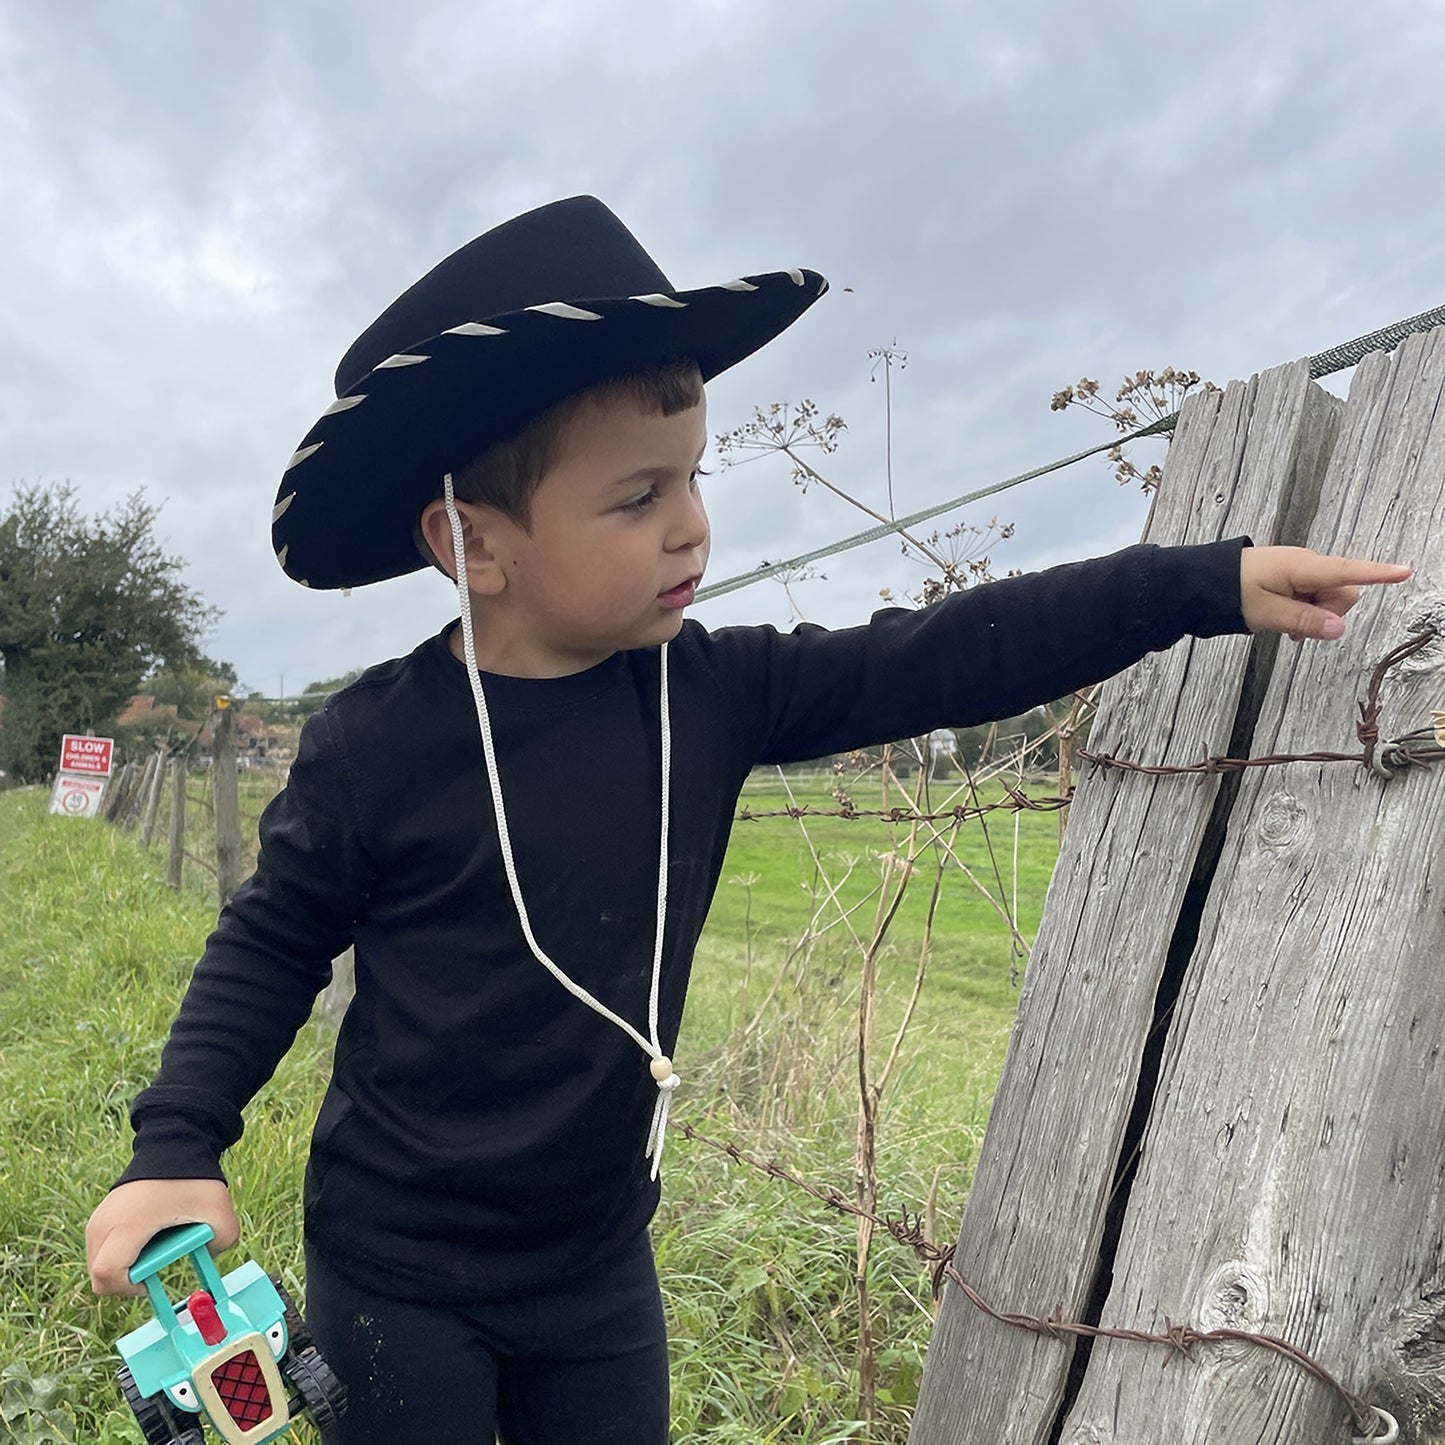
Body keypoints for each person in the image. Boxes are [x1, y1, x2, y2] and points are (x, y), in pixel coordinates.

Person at [85, 196, 1411, 1444]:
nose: (693, 530)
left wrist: (1197, 583)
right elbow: (270, 944)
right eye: (637, 497)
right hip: (396, 1270)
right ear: (473, 544)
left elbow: (954, 651)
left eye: (692, 479)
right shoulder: (376, 745)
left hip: (595, 1263)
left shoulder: (712, 695)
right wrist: (175, 1146)